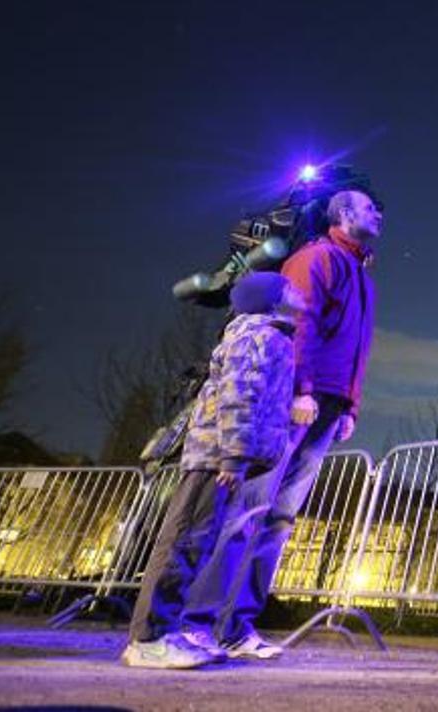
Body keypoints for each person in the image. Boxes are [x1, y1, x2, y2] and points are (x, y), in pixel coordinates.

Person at [181, 188, 382, 658]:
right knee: (250, 509)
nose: (379, 215)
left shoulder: (363, 277)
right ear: (343, 214)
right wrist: (300, 389)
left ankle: (237, 627)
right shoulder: (317, 258)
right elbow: (298, 323)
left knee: (281, 518)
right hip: (298, 399)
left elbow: (357, 347)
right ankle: (198, 622)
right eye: (370, 208)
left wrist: (350, 405)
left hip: (330, 404)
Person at [122, 271, 301, 669]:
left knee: (196, 543)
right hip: (216, 457)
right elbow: (238, 396)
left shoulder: (269, 336)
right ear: (272, 300)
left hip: (221, 456)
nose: (298, 291)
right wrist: (234, 457)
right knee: (184, 541)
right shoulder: (257, 337)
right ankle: (149, 638)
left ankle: (164, 631)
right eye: (289, 288)